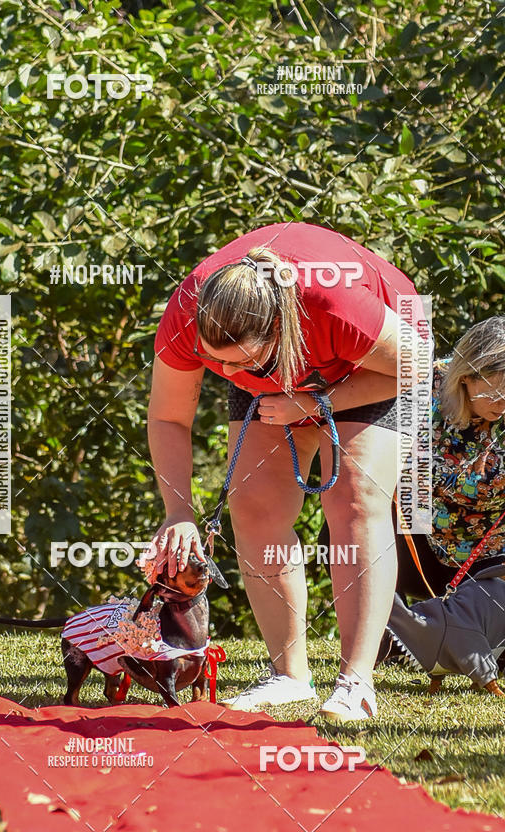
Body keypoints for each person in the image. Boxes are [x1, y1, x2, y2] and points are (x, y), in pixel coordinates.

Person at [147, 222, 427, 722]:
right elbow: (170, 416)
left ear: (279, 327)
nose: (229, 376)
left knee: (355, 500)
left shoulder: (336, 305)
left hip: (379, 363)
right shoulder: (190, 312)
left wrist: (315, 403)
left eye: (240, 363)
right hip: (283, 373)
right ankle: (289, 676)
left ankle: (356, 681)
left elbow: (421, 364)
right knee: (254, 505)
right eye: (218, 365)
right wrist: (178, 512)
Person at [393, 317, 505, 598]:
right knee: (352, 518)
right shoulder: (425, 386)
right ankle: (386, 633)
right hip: (419, 546)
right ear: (465, 377)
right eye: (494, 394)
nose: (503, 405)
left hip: (491, 558)